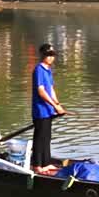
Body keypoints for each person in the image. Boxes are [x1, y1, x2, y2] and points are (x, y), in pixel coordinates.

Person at [30, 44, 66, 174]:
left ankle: (46, 163)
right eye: (47, 55)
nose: (50, 57)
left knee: (47, 137)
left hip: (48, 110)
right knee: (39, 138)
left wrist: (57, 104)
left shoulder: (48, 70)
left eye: (52, 55)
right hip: (40, 110)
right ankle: (37, 165)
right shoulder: (38, 70)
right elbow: (41, 91)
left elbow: (51, 89)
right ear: (42, 55)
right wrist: (54, 105)